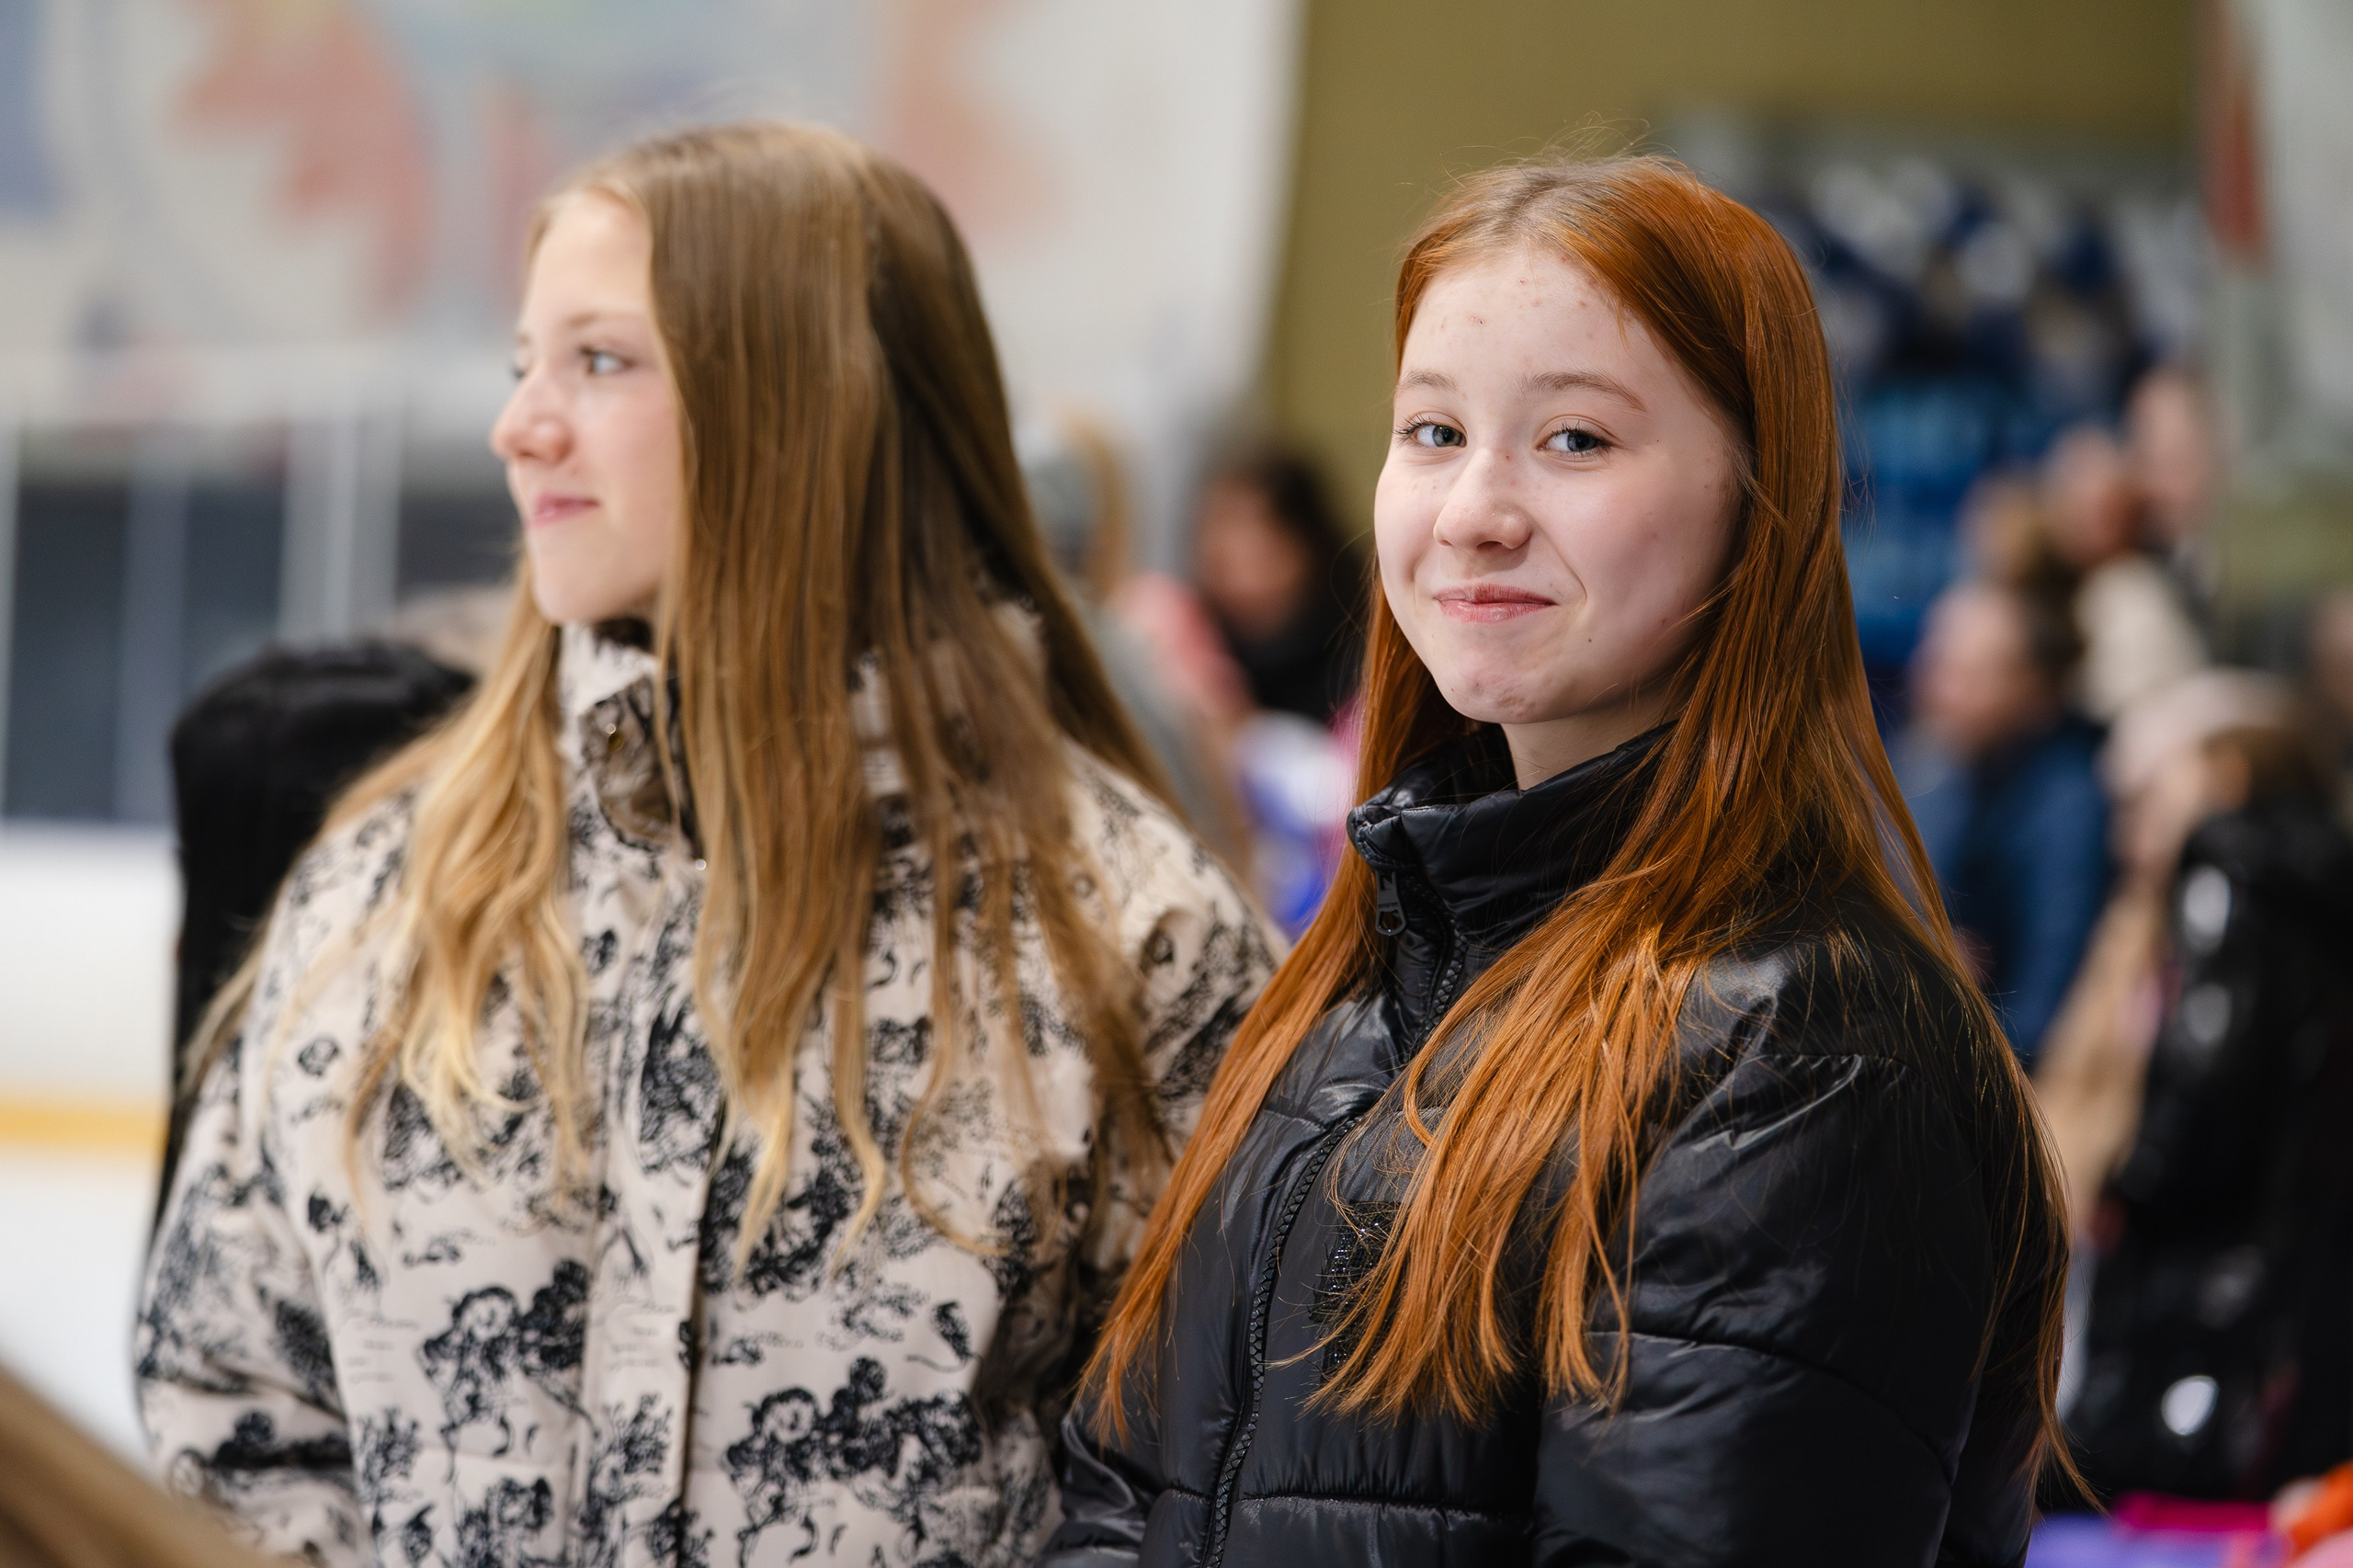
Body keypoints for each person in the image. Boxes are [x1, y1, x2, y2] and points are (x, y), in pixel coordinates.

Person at [136, 122, 1278, 1568]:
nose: (519, 427)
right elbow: (228, 1408)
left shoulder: (1128, 936)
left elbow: (1207, 1483)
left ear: (805, 410)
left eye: (599, 362)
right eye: (520, 363)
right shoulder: (391, 883)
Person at [1044, 156, 2069, 1567]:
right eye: (1432, 432)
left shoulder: (1804, 1050)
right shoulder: (1362, 975)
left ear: (1759, 499)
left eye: (1576, 440)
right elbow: (1120, 1488)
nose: (1476, 508)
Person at [2064, 712, 2353, 1501]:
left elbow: (2208, 1072)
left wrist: (2137, 1183)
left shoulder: (2228, 880)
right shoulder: (2318, 891)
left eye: (2155, 797)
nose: (2132, 831)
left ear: (2225, 777)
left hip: (2202, 1275)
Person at [1899, 581, 2112, 1066]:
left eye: (1972, 676)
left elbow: (2043, 1010)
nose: (1939, 691)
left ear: (2037, 693)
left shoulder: (2073, 806)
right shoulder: (1935, 763)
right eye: (1936, 664)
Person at [1190, 446, 1364, 725]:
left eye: (1241, 524)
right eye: (1210, 526)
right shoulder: (1200, 648)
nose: (1218, 548)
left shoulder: (1357, 663)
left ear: (1302, 546)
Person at [2041, 424, 2204, 722]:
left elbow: (2141, 709)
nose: (2088, 527)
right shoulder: (2059, 586)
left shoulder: (2132, 596)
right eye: (2076, 509)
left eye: (2106, 514)